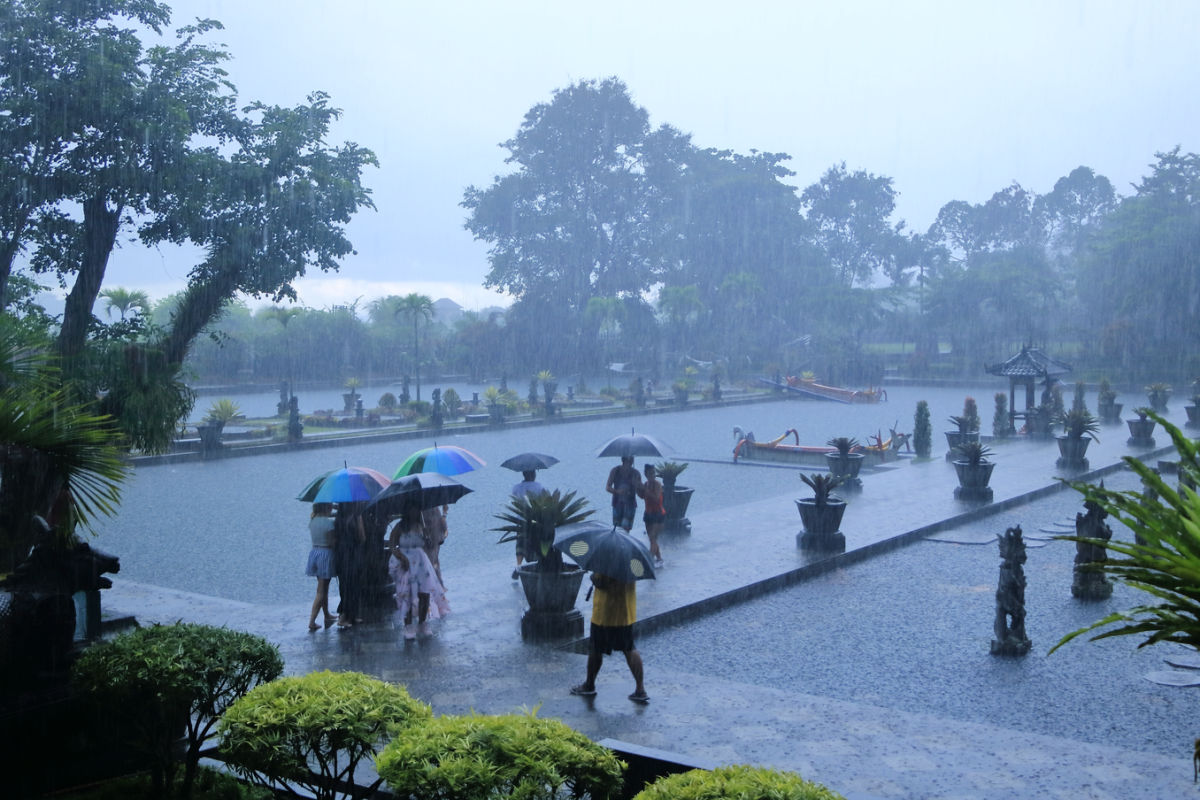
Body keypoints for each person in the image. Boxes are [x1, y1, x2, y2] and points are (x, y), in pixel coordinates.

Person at [570, 571, 648, 703]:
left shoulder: (607, 560)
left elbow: (602, 582)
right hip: (624, 612)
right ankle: (640, 689)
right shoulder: (628, 559)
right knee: (629, 648)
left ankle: (589, 684)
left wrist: (594, 577)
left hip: (606, 612)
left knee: (596, 648)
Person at [387, 498, 450, 640]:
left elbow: (427, 542)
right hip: (405, 562)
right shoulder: (400, 527)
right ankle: (408, 625)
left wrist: (427, 536)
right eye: (413, 509)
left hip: (421, 561)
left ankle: (423, 622)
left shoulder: (420, 524)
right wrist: (401, 557)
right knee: (407, 594)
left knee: (424, 593)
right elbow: (392, 545)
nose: (415, 512)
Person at [332, 502, 367, 628]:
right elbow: (362, 537)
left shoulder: (338, 520)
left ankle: (345, 614)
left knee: (344, 585)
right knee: (354, 584)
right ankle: (351, 614)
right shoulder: (356, 517)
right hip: (354, 553)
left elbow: (334, 539)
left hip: (341, 554)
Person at [305, 503, 338, 631]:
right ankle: (312, 621)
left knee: (324, 586)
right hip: (325, 554)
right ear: (327, 508)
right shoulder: (328, 523)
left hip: (315, 553)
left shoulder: (313, 521)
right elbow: (331, 542)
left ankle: (326, 615)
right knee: (321, 590)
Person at [510, 469, 547, 578]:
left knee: (520, 543)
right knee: (538, 542)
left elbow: (515, 501)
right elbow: (545, 502)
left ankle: (518, 566)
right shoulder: (539, 487)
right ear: (534, 474)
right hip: (535, 520)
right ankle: (539, 564)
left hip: (521, 519)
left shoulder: (516, 488)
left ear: (524, 474)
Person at [606, 455, 642, 532]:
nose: (630, 463)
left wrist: (637, 485)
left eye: (631, 461)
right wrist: (617, 491)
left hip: (630, 505)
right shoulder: (615, 471)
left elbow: (641, 494)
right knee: (617, 529)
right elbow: (608, 487)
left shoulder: (636, 473)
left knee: (625, 530)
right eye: (628, 461)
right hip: (617, 504)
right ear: (623, 460)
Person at [639, 463, 665, 567]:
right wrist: (638, 487)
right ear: (645, 474)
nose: (652, 475)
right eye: (650, 473)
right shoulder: (645, 484)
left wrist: (645, 490)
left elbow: (656, 498)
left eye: (653, 473)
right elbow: (641, 496)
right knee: (651, 539)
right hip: (648, 514)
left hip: (658, 514)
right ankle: (659, 558)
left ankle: (649, 559)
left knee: (653, 538)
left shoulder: (658, 484)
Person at [421, 503, 449, 587]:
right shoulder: (434, 509)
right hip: (434, 539)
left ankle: (435, 588)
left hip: (427, 541)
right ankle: (438, 587)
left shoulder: (421, 512)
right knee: (435, 564)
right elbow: (444, 528)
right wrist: (444, 513)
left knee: (430, 565)